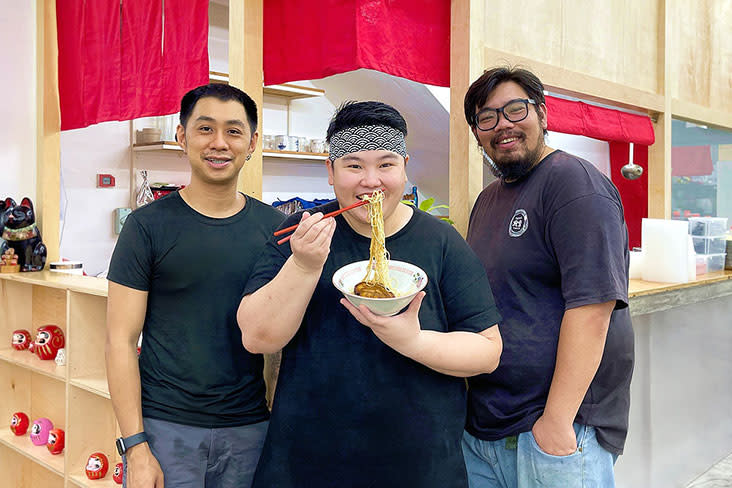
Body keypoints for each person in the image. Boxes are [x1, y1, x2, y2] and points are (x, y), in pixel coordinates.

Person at [238, 101, 503, 488]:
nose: (371, 181)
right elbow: (257, 337)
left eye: (386, 164)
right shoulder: (302, 232)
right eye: (354, 165)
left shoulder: (440, 241)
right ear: (331, 171)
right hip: (307, 464)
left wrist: (413, 341)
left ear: (405, 166)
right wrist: (305, 265)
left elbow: (487, 352)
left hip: (420, 467)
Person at [461, 66, 634, 488]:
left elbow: (593, 309)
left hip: (555, 430)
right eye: (487, 117)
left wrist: (556, 422)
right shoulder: (487, 200)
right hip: (488, 429)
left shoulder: (574, 185)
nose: (503, 125)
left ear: (542, 114)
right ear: (477, 133)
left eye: (515, 109)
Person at [105, 83, 284, 488]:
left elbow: (279, 338)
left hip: (251, 429)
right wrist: (135, 446)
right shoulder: (146, 226)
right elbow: (120, 340)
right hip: (165, 429)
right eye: (205, 129)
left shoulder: (274, 229)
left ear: (252, 142)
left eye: (234, 131)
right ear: (182, 136)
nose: (219, 143)